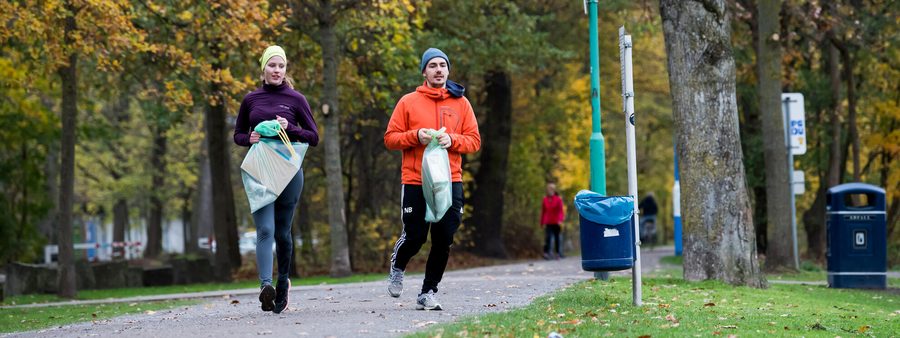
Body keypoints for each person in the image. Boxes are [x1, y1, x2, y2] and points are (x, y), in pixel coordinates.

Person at [383, 48, 481, 310]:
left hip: (450, 180)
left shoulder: (462, 104)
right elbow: (390, 138)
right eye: (433, 66)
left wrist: (453, 140)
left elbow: (474, 141)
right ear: (424, 71)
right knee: (415, 236)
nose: (438, 70)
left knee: (444, 236)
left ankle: (428, 291)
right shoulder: (408, 102)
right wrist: (416, 136)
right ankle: (398, 265)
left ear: (448, 70)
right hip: (416, 179)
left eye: (443, 65)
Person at [233, 45, 319, 314]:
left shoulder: (296, 99)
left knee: (282, 232)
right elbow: (237, 134)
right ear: (263, 68)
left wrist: (289, 127)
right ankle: (265, 287)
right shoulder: (251, 100)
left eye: (281, 66)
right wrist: (249, 138)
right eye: (272, 65)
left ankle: (283, 284)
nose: (277, 70)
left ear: (285, 69)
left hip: (289, 170)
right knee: (265, 230)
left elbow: (313, 137)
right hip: (260, 168)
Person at [540, 183, 565, 259]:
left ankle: (557, 253)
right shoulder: (545, 199)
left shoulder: (558, 199)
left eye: (551, 189)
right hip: (548, 221)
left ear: (554, 190)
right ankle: (546, 253)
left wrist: (560, 220)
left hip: (556, 222)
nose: (549, 191)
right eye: (548, 189)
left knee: (557, 238)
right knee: (547, 237)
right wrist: (541, 222)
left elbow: (561, 211)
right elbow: (543, 211)